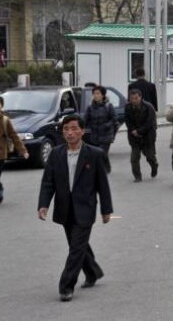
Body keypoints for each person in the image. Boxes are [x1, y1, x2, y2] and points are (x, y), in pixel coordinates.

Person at [37, 115, 113, 302]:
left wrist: (106, 209)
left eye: (73, 129)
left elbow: (102, 185)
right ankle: (93, 272)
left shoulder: (94, 154)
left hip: (85, 208)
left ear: (81, 131)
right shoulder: (56, 153)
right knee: (77, 246)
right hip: (65, 208)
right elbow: (48, 182)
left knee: (76, 249)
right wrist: (43, 205)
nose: (69, 133)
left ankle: (66, 286)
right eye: (65, 129)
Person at [125, 89, 159, 182]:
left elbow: (149, 123)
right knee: (134, 158)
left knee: (150, 156)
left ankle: (154, 166)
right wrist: (133, 131)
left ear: (140, 97)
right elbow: (128, 121)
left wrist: (139, 131)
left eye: (136, 98)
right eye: (132, 98)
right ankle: (137, 176)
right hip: (134, 137)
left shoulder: (148, 107)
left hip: (147, 135)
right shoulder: (128, 107)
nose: (134, 100)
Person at [83, 85, 118, 174]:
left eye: (98, 93)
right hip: (95, 134)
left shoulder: (108, 106)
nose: (96, 95)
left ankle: (100, 171)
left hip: (106, 135)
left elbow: (114, 120)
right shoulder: (90, 107)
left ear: (103, 95)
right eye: (94, 93)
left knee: (101, 153)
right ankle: (107, 166)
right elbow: (85, 120)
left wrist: (108, 126)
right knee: (98, 153)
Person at [0, 96, 28, 204]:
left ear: (2, 106)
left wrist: (23, 151)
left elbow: (14, 136)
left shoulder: (5, 121)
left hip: (1, 154)